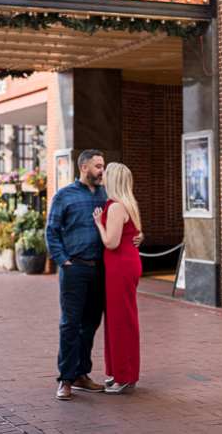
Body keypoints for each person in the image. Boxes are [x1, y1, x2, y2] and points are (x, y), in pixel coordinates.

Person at [45, 149, 144, 400]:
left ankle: (81, 374)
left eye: (104, 166)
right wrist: (64, 261)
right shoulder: (64, 196)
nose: (102, 171)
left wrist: (137, 236)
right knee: (70, 324)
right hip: (75, 268)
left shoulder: (107, 195)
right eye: (98, 166)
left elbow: (124, 222)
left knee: (90, 325)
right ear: (85, 168)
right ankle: (65, 379)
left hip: (101, 270)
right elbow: (51, 232)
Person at [92, 162, 143, 395]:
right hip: (126, 264)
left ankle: (124, 377)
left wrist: (98, 225)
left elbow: (111, 242)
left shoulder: (114, 207)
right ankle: (122, 373)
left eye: (106, 173)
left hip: (120, 266)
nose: (101, 175)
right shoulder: (129, 203)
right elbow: (134, 233)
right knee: (120, 319)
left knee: (120, 321)